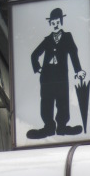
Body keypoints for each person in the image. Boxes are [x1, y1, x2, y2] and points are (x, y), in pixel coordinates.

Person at [27, 7, 86, 139]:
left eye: (58, 22)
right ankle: (48, 127)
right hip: (47, 77)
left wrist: (78, 71)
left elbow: (73, 53)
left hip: (61, 77)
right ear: (50, 23)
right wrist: (38, 68)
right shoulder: (47, 39)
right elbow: (34, 55)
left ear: (61, 22)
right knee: (46, 102)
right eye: (53, 22)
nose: (55, 25)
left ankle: (62, 127)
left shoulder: (67, 37)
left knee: (62, 101)